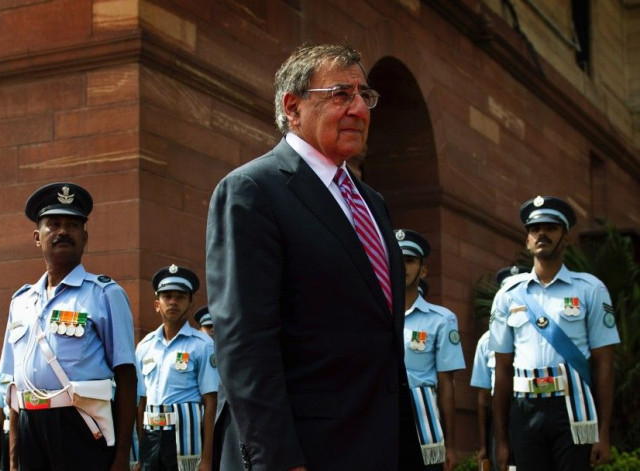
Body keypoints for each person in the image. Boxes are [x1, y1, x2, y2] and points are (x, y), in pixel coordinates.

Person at [206, 43, 423, 471]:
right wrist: (278, 458)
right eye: (341, 94)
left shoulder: (372, 203)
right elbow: (245, 342)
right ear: (293, 106)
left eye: (365, 96)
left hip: (378, 446)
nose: (359, 109)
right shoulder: (253, 190)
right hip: (301, 451)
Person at [0, 182, 137, 471]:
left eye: (73, 225)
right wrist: (13, 457)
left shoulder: (104, 294)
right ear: (37, 237)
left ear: (85, 237)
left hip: (81, 424)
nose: (63, 231)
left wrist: (122, 456)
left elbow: (126, 377)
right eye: (54, 224)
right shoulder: (21, 301)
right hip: (29, 427)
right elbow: (12, 386)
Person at [489, 195, 621, 471]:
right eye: (535, 229)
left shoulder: (590, 290)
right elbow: (501, 369)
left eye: (551, 228)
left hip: (574, 408)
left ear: (566, 237)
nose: (542, 234)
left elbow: (604, 364)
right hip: (524, 409)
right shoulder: (508, 295)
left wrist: (604, 433)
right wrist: (500, 439)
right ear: (527, 240)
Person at [134, 265, 218, 471]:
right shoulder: (145, 346)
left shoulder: (202, 344)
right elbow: (141, 401)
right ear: (156, 304)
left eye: (180, 297)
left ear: (191, 303)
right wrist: (140, 453)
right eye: (167, 296)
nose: (173, 302)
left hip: (185, 436)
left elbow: (211, 403)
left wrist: (207, 459)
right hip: (151, 434)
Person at [395, 229, 465, 471]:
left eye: (410, 261)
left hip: (424, 424)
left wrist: (451, 445)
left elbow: (447, 384)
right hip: (383, 420)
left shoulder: (441, 320)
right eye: (397, 258)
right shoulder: (374, 315)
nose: (403, 266)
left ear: (423, 270)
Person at [470, 265, 529, 471]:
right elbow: (483, 397)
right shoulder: (487, 341)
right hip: (501, 414)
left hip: (529, 405)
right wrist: (483, 445)